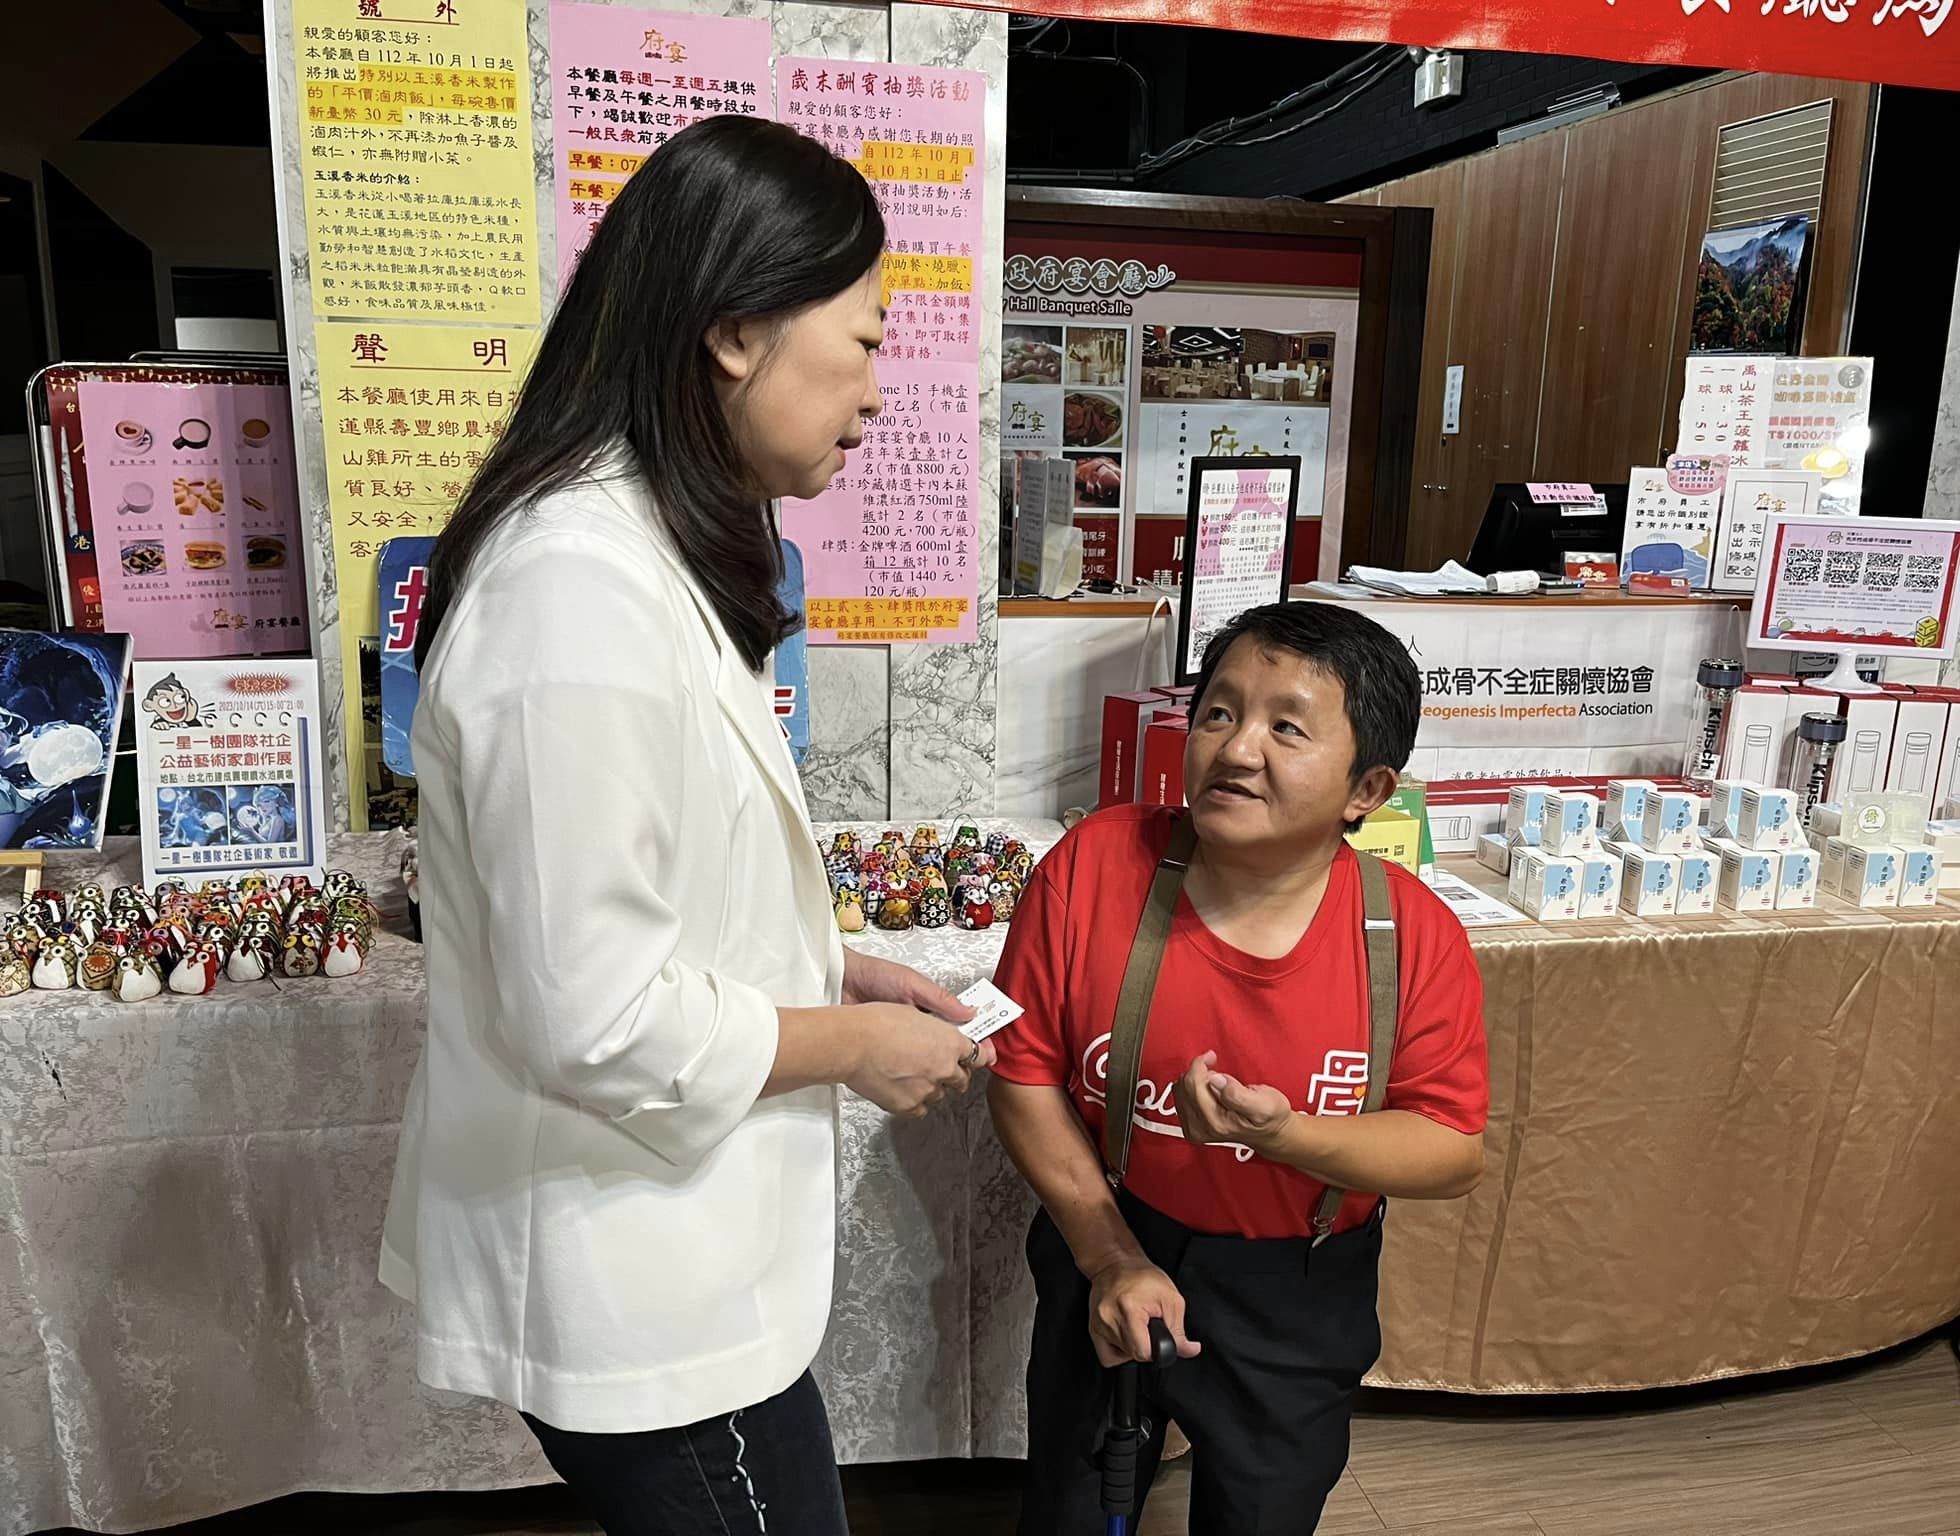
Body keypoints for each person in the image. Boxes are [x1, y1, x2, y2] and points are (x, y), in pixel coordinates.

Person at [378, 116, 994, 1536]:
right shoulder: (573, 594)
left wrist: (830, 966)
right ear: (733, 335)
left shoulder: (641, 553)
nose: (879, 391)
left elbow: (653, 883)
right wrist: (852, 1048)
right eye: (865, 338)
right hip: (630, 1273)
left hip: (680, 1251)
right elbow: (591, 1012)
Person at [989, 601, 1489, 1536]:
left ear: (1366, 788)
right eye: (1219, 713)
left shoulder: (1412, 937)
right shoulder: (1096, 864)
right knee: (1073, 1501)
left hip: (1295, 1288)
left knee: (1262, 1511)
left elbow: (1451, 1150)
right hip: (1112, 1234)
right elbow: (1022, 1074)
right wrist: (1109, 1259)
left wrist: (1289, 1136)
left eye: (1286, 728)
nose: (1237, 748)